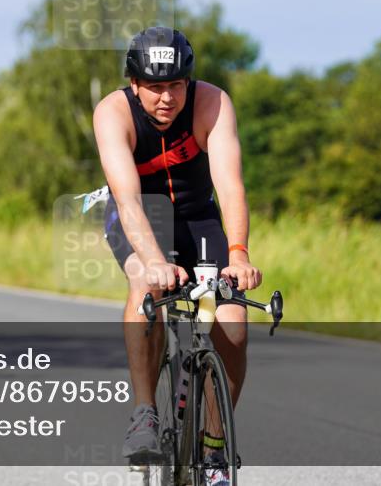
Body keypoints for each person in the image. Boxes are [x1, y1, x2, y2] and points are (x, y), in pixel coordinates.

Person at [92, 27, 261, 486]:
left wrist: (239, 254)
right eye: (155, 87)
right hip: (138, 215)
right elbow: (126, 199)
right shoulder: (112, 112)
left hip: (197, 216)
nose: (166, 98)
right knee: (144, 283)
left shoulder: (212, 103)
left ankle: (213, 449)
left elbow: (230, 185)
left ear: (189, 82)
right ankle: (145, 411)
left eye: (176, 85)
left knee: (232, 319)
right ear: (134, 85)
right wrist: (152, 259)